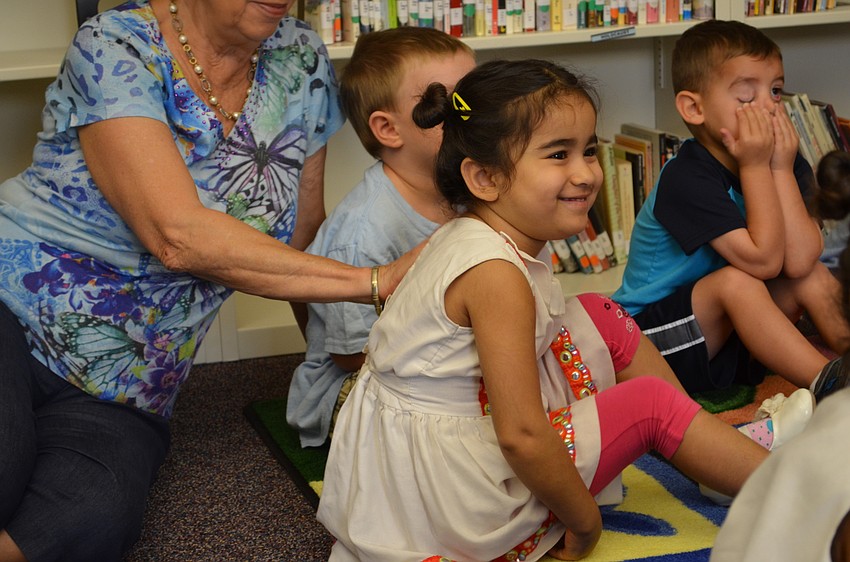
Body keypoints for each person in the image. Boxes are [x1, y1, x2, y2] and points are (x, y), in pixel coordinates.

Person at [315, 58, 802, 562]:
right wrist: (582, 521)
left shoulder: (478, 233)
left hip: (421, 450)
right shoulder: (494, 273)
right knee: (649, 405)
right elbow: (522, 436)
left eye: (588, 150)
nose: (586, 173)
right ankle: (805, 494)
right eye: (558, 154)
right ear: (484, 177)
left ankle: (707, 450)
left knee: (596, 310)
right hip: (455, 487)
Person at [0, 1, 417, 561]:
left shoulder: (302, 56)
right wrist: (376, 280)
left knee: (89, 517)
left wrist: (330, 373)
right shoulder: (115, 41)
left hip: (130, 379)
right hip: (13, 307)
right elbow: (176, 235)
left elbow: (301, 234)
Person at [612, 19, 850, 402]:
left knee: (810, 275)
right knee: (737, 282)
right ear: (694, 108)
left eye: (775, 91)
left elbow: (802, 259)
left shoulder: (780, 160)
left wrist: (780, 170)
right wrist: (759, 167)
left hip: (726, 330)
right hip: (646, 342)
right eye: (745, 97)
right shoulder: (685, 178)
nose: (769, 107)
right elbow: (763, 263)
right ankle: (829, 386)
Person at [286, 27, 476, 448]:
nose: (473, 116)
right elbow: (351, 353)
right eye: (452, 104)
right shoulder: (360, 233)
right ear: (389, 129)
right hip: (357, 385)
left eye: (475, 98)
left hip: (441, 363)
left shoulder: (471, 191)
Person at [710, 149, 850, 562]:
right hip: (692, 328)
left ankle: (829, 378)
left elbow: (800, 256)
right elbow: (770, 258)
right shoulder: (691, 174)